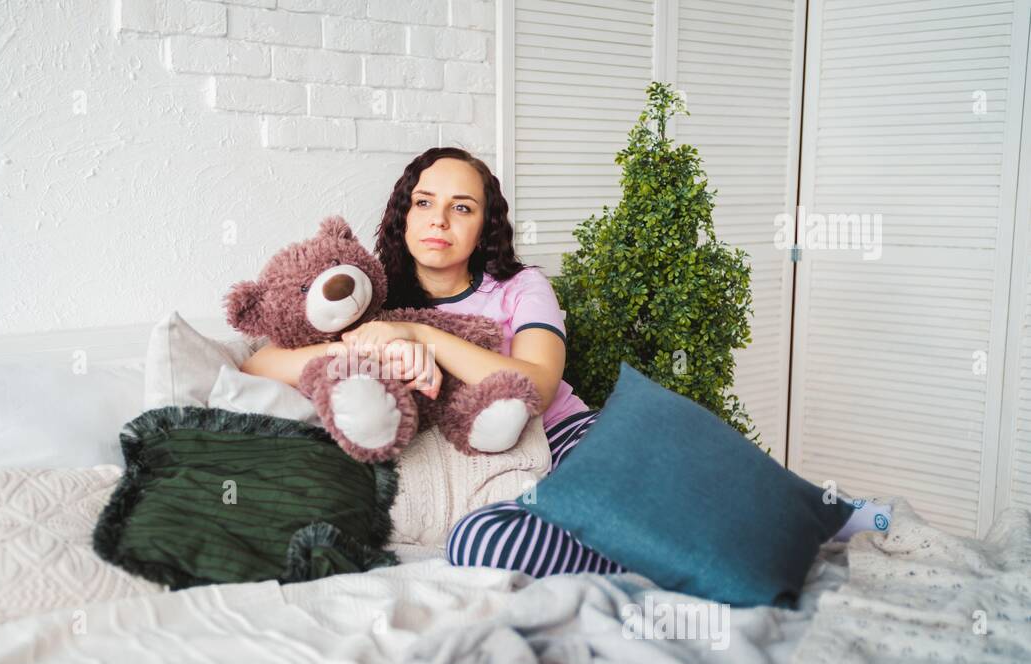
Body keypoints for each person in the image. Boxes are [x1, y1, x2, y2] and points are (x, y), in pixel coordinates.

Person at [242, 146, 890, 576]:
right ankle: (642, 559)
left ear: (483, 225)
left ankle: (827, 511)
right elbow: (257, 361)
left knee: (693, 468)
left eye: (461, 207)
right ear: (403, 215)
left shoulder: (522, 289)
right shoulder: (372, 301)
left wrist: (425, 341)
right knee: (479, 544)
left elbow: (537, 380)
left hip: (571, 438)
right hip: (490, 480)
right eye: (424, 201)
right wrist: (360, 342)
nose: (440, 218)